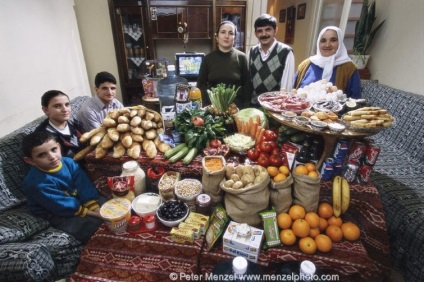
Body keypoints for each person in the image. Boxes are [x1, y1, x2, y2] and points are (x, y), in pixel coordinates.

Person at [21, 131, 106, 243]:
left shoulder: (69, 162)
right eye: (42, 155)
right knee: (92, 225)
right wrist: (96, 214)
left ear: (59, 147)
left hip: (77, 199)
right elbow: (60, 205)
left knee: (110, 205)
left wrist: (96, 207)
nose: (51, 157)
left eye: (54, 150)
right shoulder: (36, 183)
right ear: (30, 161)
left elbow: (83, 185)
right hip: (57, 211)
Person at [294, 26, 361, 98]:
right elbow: (292, 92)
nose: (327, 45)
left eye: (333, 40)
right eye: (323, 40)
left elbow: (355, 100)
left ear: (340, 43)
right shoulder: (306, 65)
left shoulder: (349, 68)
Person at [197, 21, 251, 109]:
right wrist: (207, 105)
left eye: (231, 33)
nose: (226, 36)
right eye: (223, 32)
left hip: (236, 110)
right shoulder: (208, 59)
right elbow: (201, 84)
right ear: (217, 37)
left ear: (234, 38)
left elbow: (247, 85)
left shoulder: (242, 57)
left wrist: (245, 108)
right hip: (214, 110)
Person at [249, 14, 295, 106]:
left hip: (274, 109)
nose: (264, 34)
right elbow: (248, 80)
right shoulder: (251, 51)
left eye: (268, 29)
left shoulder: (286, 52)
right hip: (253, 107)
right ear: (255, 34)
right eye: (260, 31)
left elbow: (287, 88)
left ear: (275, 30)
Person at [35, 90, 85, 158]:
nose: (65, 110)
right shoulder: (43, 136)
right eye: (57, 106)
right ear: (46, 110)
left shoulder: (75, 124)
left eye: (67, 105)